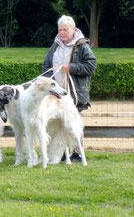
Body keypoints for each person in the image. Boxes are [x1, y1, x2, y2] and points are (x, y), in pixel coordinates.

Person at [42, 15, 97, 162]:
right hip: (57, 94)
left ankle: (77, 153)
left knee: (73, 122)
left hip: (75, 93)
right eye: (60, 30)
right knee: (57, 123)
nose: (62, 32)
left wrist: (71, 68)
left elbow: (91, 66)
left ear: (73, 29)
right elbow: (46, 66)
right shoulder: (55, 45)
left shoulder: (82, 46)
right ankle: (60, 153)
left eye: (65, 30)